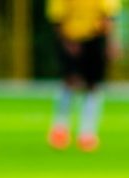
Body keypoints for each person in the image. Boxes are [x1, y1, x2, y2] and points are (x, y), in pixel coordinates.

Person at [46, 0, 120, 152]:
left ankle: (87, 132)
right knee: (69, 81)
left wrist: (111, 42)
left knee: (93, 85)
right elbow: (57, 16)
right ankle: (60, 129)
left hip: (94, 37)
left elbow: (108, 16)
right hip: (69, 35)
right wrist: (66, 41)